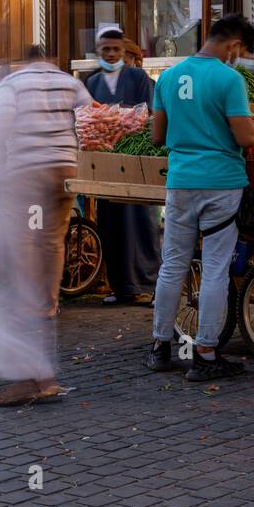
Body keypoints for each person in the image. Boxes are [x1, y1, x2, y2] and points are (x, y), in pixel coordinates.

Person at [146, 15, 254, 381]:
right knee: (215, 268)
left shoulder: (166, 77)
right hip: (221, 183)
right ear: (233, 45)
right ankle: (206, 354)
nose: (238, 58)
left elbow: (157, 136)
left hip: (180, 182)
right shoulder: (228, 80)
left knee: (173, 265)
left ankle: (160, 346)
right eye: (241, 51)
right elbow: (245, 137)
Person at [0, 44, 90, 405]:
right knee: (49, 247)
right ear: (50, 59)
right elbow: (93, 120)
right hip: (65, 173)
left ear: (22, 61)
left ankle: (30, 376)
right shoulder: (67, 82)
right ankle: (43, 358)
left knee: (23, 262)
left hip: (27, 177)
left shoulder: (13, 84)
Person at [84, 29, 160, 306]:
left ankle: (147, 285)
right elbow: (86, 115)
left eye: (116, 49)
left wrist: (120, 117)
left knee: (141, 221)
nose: (111, 54)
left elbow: (149, 113)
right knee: (110, 220)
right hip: (106, 161)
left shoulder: (139, 78)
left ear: (122, 51)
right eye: (106, 50)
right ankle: (119, 286)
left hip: (135, 160)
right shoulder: (91, 82)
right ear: (99, 51)